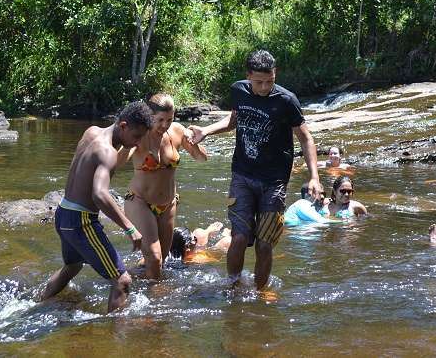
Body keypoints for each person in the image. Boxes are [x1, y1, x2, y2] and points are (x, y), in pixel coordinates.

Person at [188, 49, 322, 290]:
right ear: (248, 76)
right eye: (259, 82)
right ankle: (233, 287)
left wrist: (314, 177)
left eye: (269, 81)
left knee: (264, 243)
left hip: (274, 182)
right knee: (238, 238)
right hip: (242, 174)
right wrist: (205, 131)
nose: (264, 87)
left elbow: (306, 139)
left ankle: (261, 292)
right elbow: (233, 121)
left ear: (275, 74)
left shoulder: (287, 100)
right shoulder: (238, 90)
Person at [41, 101, 151, 313]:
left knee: (73, 266)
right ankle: (115, 339)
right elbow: (99, 194)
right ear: (124, 126)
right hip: (81, 221)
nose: (138, 143)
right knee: (123, 280)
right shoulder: (108, 152)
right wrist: (130, 228)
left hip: (63, 213)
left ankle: (39, 304)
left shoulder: (91, 132)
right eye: (136, 136)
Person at [124, 93, 207, 280]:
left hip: (168, 204)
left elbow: (202, 159)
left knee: (160, 259)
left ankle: (128, 278)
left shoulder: (177, 131)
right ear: (148, 116)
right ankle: (156, 298)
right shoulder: (139, 135)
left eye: (169, 119)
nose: (164, 125)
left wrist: (193, 142)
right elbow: (117, 161)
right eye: (159, 120)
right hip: (139, 201)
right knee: (154, 258)